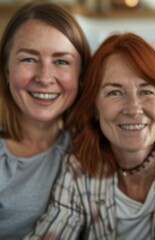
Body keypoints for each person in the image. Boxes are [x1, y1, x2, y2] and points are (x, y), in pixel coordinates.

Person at [26, 33, 155, 239]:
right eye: (114, 92)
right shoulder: (79, 169)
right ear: (94, 107)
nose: (133, 108)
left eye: (146, 91)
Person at [0, 2, 91, 239]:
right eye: (29, 59)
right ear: (7, 71)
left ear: (81, 76)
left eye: (62, 61)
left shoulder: (91, 153)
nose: (44, 77)